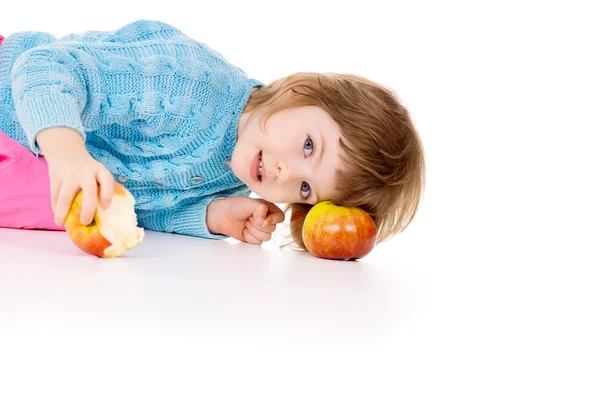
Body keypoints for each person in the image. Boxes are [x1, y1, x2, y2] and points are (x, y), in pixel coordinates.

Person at [0, 19, 425, 248]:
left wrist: (211, 216)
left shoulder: (235, 171)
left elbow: (140, 207)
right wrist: (67, 152)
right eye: (308, 146)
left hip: (27, 172)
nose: (283, 171)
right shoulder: (185, 83)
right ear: (301, 92)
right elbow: (41, 66)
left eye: (305, 187)